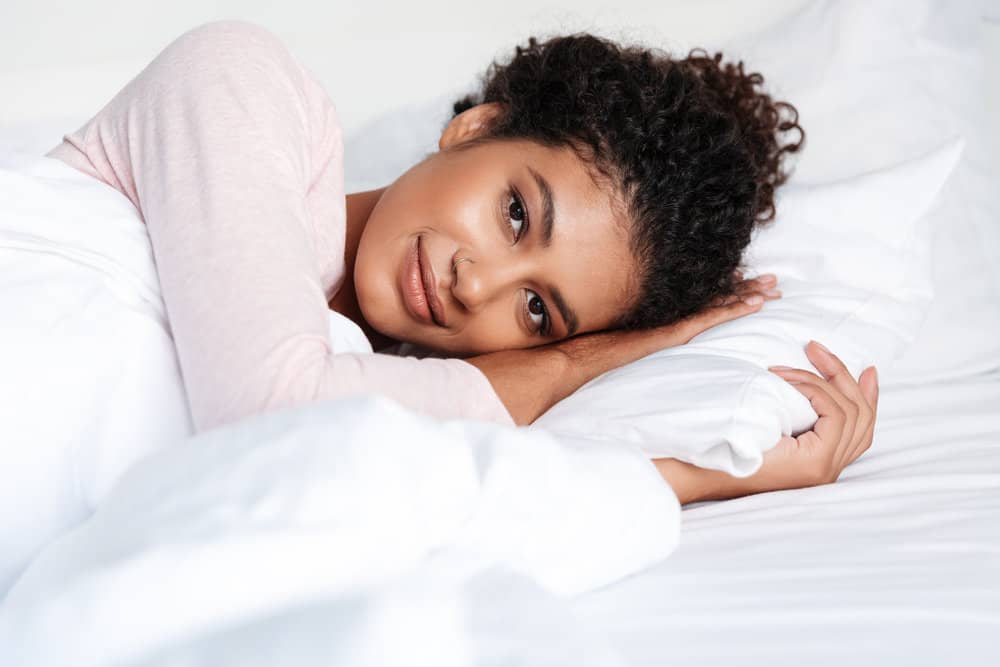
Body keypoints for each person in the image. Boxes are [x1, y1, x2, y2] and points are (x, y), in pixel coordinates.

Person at [45, 20, 877, 505]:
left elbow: (445, 500)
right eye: (517, 213)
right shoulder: (244, 84)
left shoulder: (395, 402)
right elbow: (274, 417)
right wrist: (575, 356)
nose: (474, 283)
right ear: (476, 127)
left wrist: (706, 471)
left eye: (538, 310)